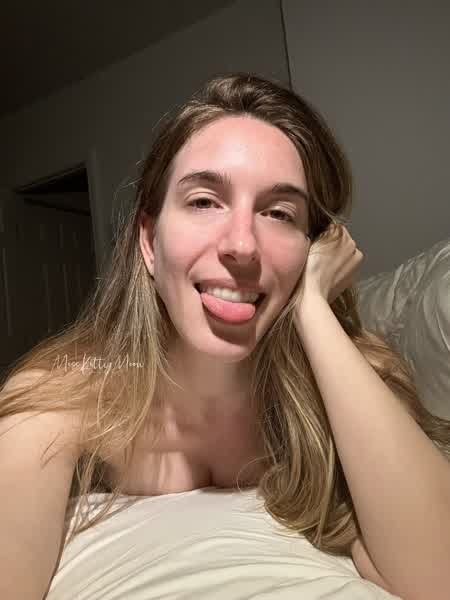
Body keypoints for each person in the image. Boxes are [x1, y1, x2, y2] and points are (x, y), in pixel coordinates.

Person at [1, 72, 449, 600]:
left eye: (279, 213)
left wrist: (313, 308)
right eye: (204, 201)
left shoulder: (353, 382)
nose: (242, 245)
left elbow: (436, 577)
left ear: (314, 247)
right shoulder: (63, 395)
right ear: (149, 241)